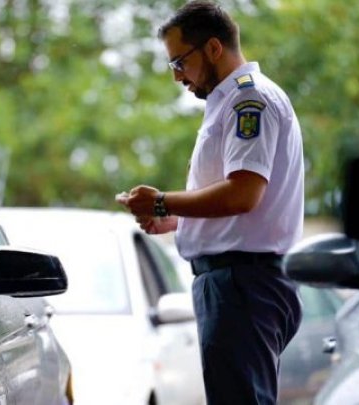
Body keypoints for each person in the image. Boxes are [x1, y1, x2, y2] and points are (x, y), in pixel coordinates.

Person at [118, 1, 304, 404]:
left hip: (242, 285)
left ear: (214, 49)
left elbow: (243, 194)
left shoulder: (246, 101)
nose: (177, 76)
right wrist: (175, 221)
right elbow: (242, 201)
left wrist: (164, 202)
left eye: (180, 62)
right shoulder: (229, 103)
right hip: (238, 283)